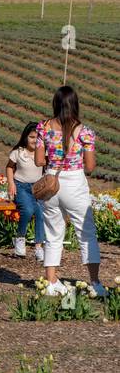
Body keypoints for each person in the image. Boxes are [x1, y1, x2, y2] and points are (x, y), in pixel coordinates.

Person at [34, 86, 106, 297]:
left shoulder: (43, 127)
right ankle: (94, 283)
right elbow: (90, 167)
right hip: (74, 180)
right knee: (86, 233)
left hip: (51, 182)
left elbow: (39, 160)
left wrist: (53, 162)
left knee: (53, 233)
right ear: (75, 104)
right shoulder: (85, 131)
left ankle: (51, 282)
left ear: (55, 103)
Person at [6, 122, 45, 261]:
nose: (34, 140)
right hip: (21, 186)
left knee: (41, 213)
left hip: (38, 188)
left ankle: (39, 247)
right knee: (27, 210)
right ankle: (20, 238)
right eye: (32, 137)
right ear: (25, 137)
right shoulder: (18, 152)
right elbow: (10, 167)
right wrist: (11, 183)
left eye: (37, 137)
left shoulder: (42, 153)